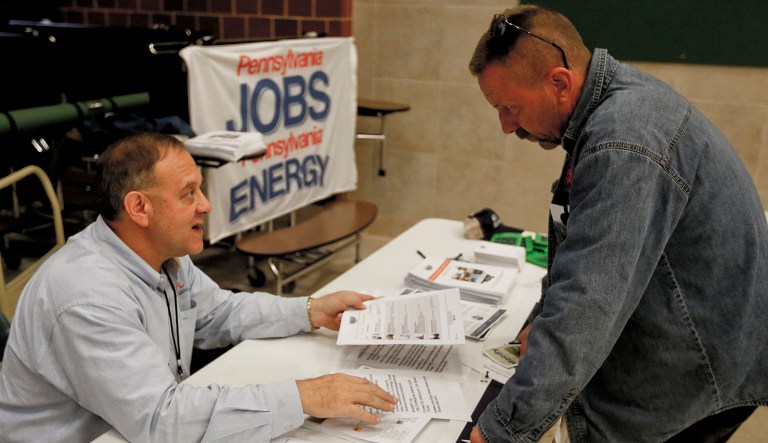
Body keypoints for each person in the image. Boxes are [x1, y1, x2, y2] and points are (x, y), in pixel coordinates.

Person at [467, 5, 768, 443]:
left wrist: (504, 430)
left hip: (704, 364)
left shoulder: (624, 140)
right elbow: (580, 244)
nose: (506, 126)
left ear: (559, 82)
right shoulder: (610, 104)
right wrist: (541, 317)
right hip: (706, 337)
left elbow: (588, 303)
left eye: (510, 107)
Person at [0, 132, 398, 442]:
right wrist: (302, 396)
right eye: (189, 193)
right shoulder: (87, 297)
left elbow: (217, 312)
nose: (205, 205)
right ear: (140, 208)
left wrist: (310, 310)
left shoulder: (162, 254)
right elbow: (159, 420)